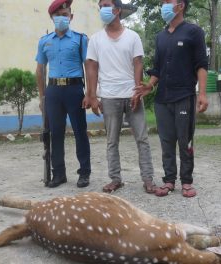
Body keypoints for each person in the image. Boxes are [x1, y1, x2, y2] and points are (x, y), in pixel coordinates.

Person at [134, 0, 208, 198]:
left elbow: (201, 64)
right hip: (162, 99)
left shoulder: (194, 32)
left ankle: (186, 181)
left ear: (181, 5)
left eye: (168, 1)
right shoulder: (161, 36)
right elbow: (157, 68)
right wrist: (149, 85)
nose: (163, 5)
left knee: (185, 141)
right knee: (166, 142)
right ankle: (169, 180)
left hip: (184, 95)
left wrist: (202, 93)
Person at [83, 0, 157, 194]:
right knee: (111, 141)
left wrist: (137, 90)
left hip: (131, 96)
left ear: (117, 9)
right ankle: (115, 179)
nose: (102, 9)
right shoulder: (96, 39)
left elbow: (138, 64)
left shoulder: (132, 37)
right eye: (100, 7)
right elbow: (91, 68)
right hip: (108, 96)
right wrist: (92, 96)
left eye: (106, 5)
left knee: (142, 138)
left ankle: (148, 179)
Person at [35, 0, 91, 188]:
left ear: (71, 17)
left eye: (65, 15)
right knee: (55, 133)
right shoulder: (45, 41)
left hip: (74, 90)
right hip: (53, 92)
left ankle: (84, 173)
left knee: (79, 132)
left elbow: (89, 67)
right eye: (57, 15)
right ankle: (58, 174)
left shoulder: (80, 39)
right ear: (52, 17)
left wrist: (89, 93)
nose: (61, 18)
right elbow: (40, 70)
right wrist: (42, 97)